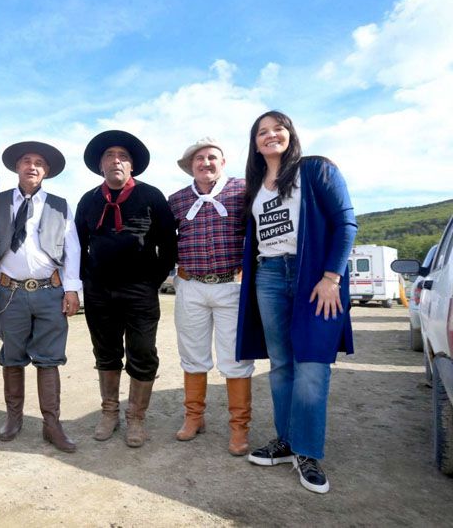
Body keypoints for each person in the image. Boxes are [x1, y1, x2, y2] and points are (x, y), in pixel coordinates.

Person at [236, 111, 357, 494]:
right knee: (281, 365)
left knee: (312, 366)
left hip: (314, 278)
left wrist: (331, 277)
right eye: (262, 132)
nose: (271, 135)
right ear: (255, 143)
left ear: (291, 134)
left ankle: (307, 451)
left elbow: (346, 223)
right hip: (269, 275)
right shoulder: (255, 187)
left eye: (278, 129)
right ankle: (286, 441)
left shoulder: (317, 170)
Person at [75, 130, 177, 448]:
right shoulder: (89, 200)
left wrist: (152, 280)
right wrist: (85, 282)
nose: (116, 160)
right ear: (100, 165)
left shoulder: (152, 196)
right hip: (98, 292)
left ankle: (136, 417)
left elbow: (169, 245)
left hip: (139, 290)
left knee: (143, 352)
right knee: (105, 352)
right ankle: (109, 412)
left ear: (131, 166)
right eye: (109, 156)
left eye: (123, 156)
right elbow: (78, 245)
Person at [0, 141, 81, 453]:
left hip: (49, 291)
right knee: (12, 356)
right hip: (10, 292)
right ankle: (13, 418)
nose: (32, 166)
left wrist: (72, 289)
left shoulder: (60, 205)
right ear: (17, 166)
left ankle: (51, 423)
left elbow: (73, 249)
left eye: (39, 163)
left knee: (49, 357)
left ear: (47, 171)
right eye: (26, 161)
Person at [167, 137, 254, 455]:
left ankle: (239, 428)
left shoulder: (243, 190)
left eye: (212, 157)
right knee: (192, 354)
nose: (206, 162)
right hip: (190, 285)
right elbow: (166, 241)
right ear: (190, 166)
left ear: (223, 161)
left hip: (231, 284)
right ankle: (194, 417)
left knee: (234, 358)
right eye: (199, 158)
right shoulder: (176, 200)